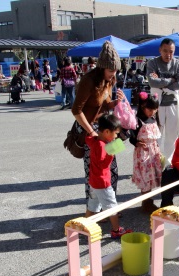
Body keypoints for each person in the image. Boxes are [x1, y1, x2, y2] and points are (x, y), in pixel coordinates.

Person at [72, 41, 125, 212]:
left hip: (104, 128)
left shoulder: (109, 80)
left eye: (116, 70)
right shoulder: (88, 81)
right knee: (94, 173)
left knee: (112, 169)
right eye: (111, 70)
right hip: (89, 129)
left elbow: (105, 104)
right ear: (101, 67)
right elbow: (76, 110)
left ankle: (109, 207)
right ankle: (93, 211)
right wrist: (91, 132)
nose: (113, 74)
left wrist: (117, 102)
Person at [84, 114, 132, 238]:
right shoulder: (101, 146)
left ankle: (85, 226)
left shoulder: (95, 140)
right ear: (106, 132)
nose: (116, 136)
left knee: (93, 204)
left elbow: (87, 138)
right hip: (103, 182)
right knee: (112, 207)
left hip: (94, 181)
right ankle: (116, 230)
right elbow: (102, 165)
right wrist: (111, 154)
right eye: (115, 134)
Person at [146, 38, 179, 163]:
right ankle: (154, 161)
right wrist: (171, 80)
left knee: (172, 136)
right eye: (165, 51)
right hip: (156, 105)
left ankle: (169, 162)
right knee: (155, 135)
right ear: (160, 50)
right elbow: (152, 81)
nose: (168, 54)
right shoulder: (152, 63)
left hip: (172, 105)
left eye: (171, 52)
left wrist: (161, 82)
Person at [129, 92, 162, 213]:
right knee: (145, 177)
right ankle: (146, 202)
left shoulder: (153, 119)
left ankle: (148, 201)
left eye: (155, 109)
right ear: (143, 106)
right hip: (143, 153)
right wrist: (136, 143)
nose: (153, 112)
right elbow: (131, 135)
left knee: (152, 176)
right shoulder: (137, 120)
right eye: (150, 109)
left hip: (153, 151)